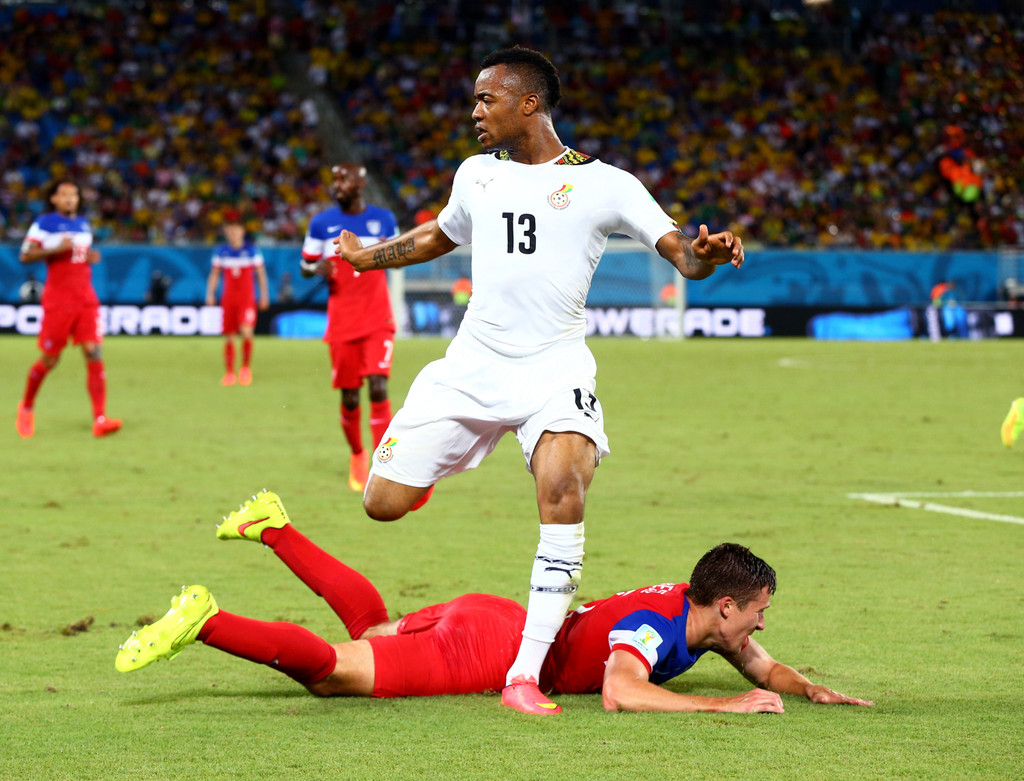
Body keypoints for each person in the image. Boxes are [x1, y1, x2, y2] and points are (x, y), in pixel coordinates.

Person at [333, 47, 745, 713]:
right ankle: (433, 466)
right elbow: (439, 235)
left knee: (563, 486)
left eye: (485, 99)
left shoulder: (606, 182)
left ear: (528, 103)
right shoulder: (476, 176)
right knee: (381, 502)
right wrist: (366, 259)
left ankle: (522, 674)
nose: (474, 111)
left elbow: (677, 250)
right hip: (471, 367)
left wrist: (703, 257)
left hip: (555, 369)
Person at [115, 491, 873, 714]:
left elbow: (762, 664)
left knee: (374, 630)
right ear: (727, 603)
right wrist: (726, 709)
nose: (763, 622)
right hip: (489, 650)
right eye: (760, 608)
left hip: (495, 616)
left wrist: (811, 688)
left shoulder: (701, 613)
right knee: (335, 673)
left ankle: (275, 526)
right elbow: (618, 690)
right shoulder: (654, 625)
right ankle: (207, 618)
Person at [300, 163, 400, 492]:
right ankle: (357, 453)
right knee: (351, 396)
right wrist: (318, 270)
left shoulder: (383, 219)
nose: (337, 185)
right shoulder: (321, 223)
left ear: (360, 183)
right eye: (335, 180)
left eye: (343, 180)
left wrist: (375, 256)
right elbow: (305, 264)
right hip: (342, 319)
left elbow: (400, 254)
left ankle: (382, 463)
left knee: (378, 387)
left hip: (377, 316)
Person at [16, 179, 121, 439]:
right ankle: (26, 407)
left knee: (94, 352)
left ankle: (100, 419)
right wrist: (54, 248)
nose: (70, 199)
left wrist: (89, 258)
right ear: (54, 198)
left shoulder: (83, 225)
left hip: (85, 298)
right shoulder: (44, 223)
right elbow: (25, 255)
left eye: (73, 195)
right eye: (64, 195)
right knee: (51, 360)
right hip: (59, 301)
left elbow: (76, 256)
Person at [205, 221, 270, 386]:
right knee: (229, 336)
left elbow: (261, 275)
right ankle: (229, 373)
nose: (233, 234)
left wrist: (264, 296)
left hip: (247, 300)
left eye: (236, 230)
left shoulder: (252, 252)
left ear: (242, 232)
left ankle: (245, 369)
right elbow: (214, 275)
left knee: (247, 332)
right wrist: (210, 294)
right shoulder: (221, 252)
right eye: (230, 231)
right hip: (228, 300)